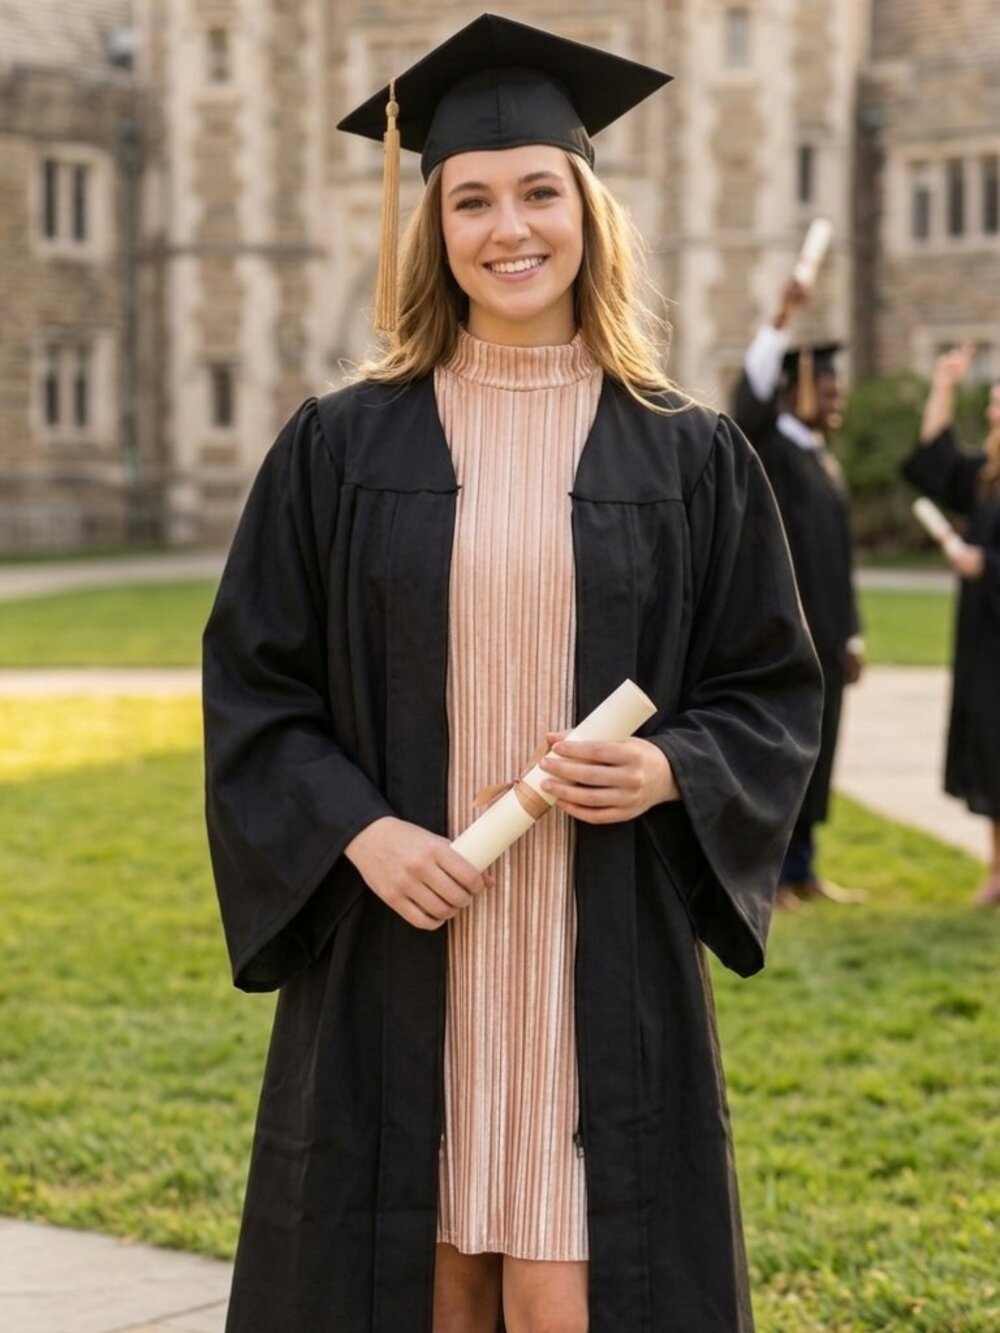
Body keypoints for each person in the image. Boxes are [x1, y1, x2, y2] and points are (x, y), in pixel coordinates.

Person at [202, 15, 822, 1332]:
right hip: (401, 940)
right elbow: (258, 688)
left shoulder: (690, 454)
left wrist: (669, 765)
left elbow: (771, 689)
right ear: (432, 227)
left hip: (590, 943)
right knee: (423, 1284)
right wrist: (360, 833)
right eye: (470, 199)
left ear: (590, 209)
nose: (509, 227)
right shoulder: (336, 445)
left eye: (540, 190)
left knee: (566, 1296)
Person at [733, 275, 865, 908]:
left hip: (829, 637)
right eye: (830, 387)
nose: (838, 399)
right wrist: (782, 316)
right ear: (798, 389)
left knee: (821, 752)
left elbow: (843, 565)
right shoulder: (771, 450)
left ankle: (806, 868)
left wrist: (855, 632)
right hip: (784, 636)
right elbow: (749, 396)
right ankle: (773, 873)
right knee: (782, 755)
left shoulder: (821, 460)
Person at [903, 346, 1000, 907]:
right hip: (988, 639)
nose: (990, 414)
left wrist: (985, 563)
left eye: (996, 404)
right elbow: (935, 464)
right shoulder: (989, 475)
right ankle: (996, 868)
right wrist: (941, 384)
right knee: (992, 745)